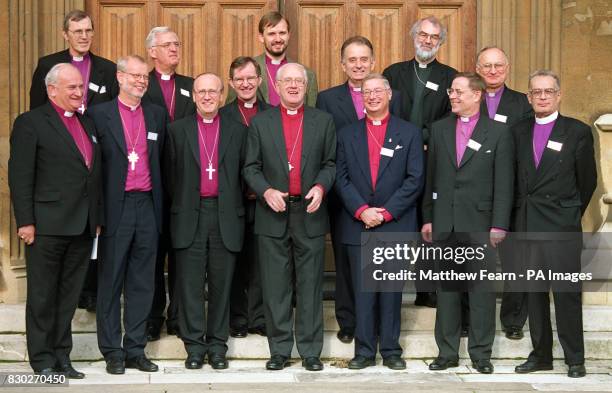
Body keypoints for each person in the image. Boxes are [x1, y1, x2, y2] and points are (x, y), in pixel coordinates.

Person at [9, 63, 103, 378]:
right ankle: (42, 358)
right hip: (46, 226)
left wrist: (97, 218)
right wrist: (25, 222)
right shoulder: (31, 123)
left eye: (80, 87)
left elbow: (93, 175)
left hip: (81, 226)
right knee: (42, 295)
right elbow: (20, 177)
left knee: (68, 297)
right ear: (52, 90)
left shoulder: (87, 123)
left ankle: (63, 356)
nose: (79, 93)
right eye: (71, 88)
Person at [243, 63, 336, 371]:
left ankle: (310, 351)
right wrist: (266, 191)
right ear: (276, 87)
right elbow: (250, 167)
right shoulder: (261, 122)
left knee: (310, 285)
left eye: (299, 81)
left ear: (306, 87)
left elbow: (331, 163)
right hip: (273, 213)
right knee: (275, 286)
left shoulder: (323, 121)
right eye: (288, 81)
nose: (294, 86)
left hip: (309, 212)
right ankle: (280, 349)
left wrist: (321, 187)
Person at [421, 72, 514, 374]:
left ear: (478, 95)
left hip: (481, 225)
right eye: (451, 91)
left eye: (459, 91)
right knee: (447, 293)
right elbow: (430, 178)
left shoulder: (498, 132)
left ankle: (480, 354)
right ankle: (447, 352)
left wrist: (499, 224)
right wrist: (428, 218)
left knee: (481, 294)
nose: (453, 96)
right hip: (445, 223)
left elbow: (504, 184)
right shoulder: (438, 129)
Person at [29, 9, 118, 313]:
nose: (83, 36)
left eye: (88, 31)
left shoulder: (107, 69)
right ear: (65, 33)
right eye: (77, 31)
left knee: (90, 238)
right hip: (58, 175)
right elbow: (37, 117)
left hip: (93, 158)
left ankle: (90, 291)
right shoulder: (47, 65)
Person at [316, 35, 402, 344]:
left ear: (373, 62)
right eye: (352, 59)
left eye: (364, 59)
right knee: (347, 266)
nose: (358, 64)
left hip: (386, 198)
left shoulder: (395, 96)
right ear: (342, 64)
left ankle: (379, 324)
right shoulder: (327, 98)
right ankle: (349, 321)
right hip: (346, 198)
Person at [335, 73, 423, 369]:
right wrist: (361, 210)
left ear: (389, 95)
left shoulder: (409, 133)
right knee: (363, 291)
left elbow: (415, 179)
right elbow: (341, 177)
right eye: (366, 92)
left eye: (377, 91)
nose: (371, 96)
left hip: (395, 223)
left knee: (391, 292)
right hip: (358, 222)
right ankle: (363, 351)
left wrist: (385, 212)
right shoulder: (346, 133)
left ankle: (390, 350)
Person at [512, 70, 596, 378]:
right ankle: (541, 355)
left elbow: (588, 181)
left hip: (561, 227)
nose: (542, 96)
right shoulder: (517, 131)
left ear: (559, 95)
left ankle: (575, 358)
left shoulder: (577, 131)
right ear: (529, 97)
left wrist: (568, 213)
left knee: (566, 294)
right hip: (528, 226)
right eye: (536, 92)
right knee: (534, 294)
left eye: (548, 91)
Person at [88, 55, 167, 375]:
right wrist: (96, 214)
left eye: (144, 77)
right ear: (119, 77)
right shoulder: (98, 115)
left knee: (142, 282)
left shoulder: (157, 115)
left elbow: (163, 164)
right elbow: (92, 171)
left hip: (147, 205)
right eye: (133, 76)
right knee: (110, 281)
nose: (140, 81)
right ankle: (112, 351)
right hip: (115, 208)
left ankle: (135, 348)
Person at [165, 73, 247, 370]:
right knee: (190, 284)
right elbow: (170, 177)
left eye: (213, 91)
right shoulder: (176, 130)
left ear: (222, 94)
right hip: (190, 214)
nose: (208, 96)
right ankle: (194, 346)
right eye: (202, 91)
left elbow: (242, 175)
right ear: (194, 96)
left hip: (225, 216)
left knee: (221, 284)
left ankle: (217, 345)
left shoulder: (238, 131)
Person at [383, 16, 457, 309]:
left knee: (430, 220)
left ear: (441, 43)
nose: (427, 41)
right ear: (413, 37)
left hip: (433, 157)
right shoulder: (394, 72)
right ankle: (392, 285)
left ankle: (427, 289)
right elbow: (383, 111)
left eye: (434, 37)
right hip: (396, 157)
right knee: (398, 220)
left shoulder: (450, 76)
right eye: (423, 35)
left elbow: (451, 115)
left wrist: (425, 138)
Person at [474, 45, 534, 341]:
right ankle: (466, 319)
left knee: (516, 260)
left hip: (513, 191)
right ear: (478, 69)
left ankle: (513, 319)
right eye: (487, 66)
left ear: (507, 68)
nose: (493, 71)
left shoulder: (523, 103)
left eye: (498, 65)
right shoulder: (468, 98)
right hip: (475, 192)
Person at [142, 26, 196, 341]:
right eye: (167, 44)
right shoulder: (141, 84)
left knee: (182, 254)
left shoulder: (191, 85)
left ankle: (178, 316)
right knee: (152, 255)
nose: (175, 48)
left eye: (177, 43)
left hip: (187, 185)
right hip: (151, 184)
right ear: (152, 51)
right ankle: (152, 317)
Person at [220, 56, 271, 339]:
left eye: (251, 78)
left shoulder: (272, 113)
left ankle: (259, 317)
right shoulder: (222, 115)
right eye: (239, 79)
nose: (246, 84)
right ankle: (237, 318)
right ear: (231, 83)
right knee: (236, 261)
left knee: (262, 263)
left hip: (264, 202)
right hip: (234, 202)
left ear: (260, 81)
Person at [226, 11, 318, 107]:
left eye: (282, 33)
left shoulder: (308, 74)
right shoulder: (242, 71)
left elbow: (312, 116)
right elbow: (230, 110)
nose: (278, 39)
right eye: (271, 34)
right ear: (261, 37)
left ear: (288, 35)